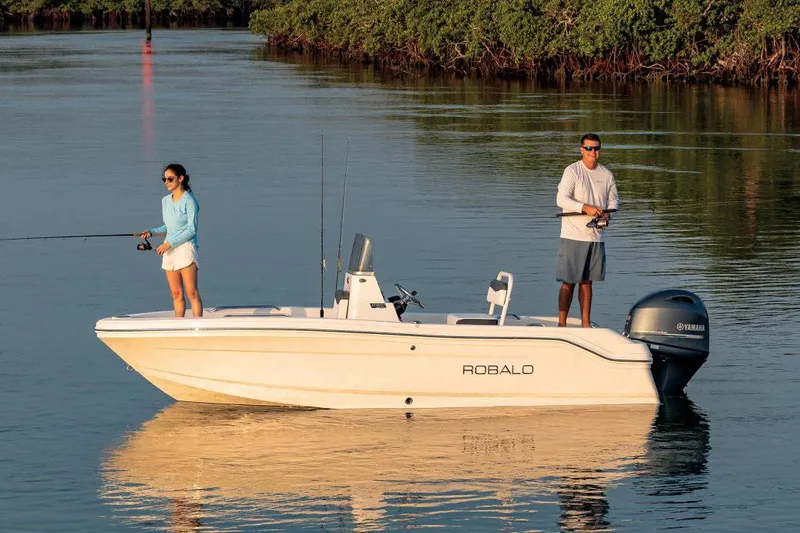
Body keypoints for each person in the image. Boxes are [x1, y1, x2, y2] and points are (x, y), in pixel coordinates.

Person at [556, 133, 618, 327]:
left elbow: (614, 201)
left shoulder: (606, 175)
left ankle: (585, 324)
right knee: (569, 282)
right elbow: (561, 199)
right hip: (573, 235)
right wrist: (585, 208)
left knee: (587, 282)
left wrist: (607, 215)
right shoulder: (572, 171)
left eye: (596, 148)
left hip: (596, 236)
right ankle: (561, 324)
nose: (593, 152)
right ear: (582, 150)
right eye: (589, 148)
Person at [140, 163, 203, 317]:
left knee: (191, 292)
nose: (166, 182)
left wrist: (169, 244)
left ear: (180, 179)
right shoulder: (165, 201)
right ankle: (179, 326)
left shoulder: (190, 201)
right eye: (164, 179)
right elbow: (169, 227)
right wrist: (152, 232)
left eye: (170, 179)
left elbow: (191, 230)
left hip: (185, 247)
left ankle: (197, 326)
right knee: (176, 293)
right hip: (169, 249)